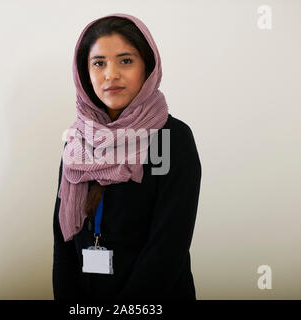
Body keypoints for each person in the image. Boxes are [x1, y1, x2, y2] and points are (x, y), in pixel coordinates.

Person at [52, 13, 202, 302]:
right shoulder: (77, 139)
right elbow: (63, 241)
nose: (111, 74)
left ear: (148, 66)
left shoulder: (170, 138)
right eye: (99, 63)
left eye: (125, 60)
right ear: (85, 73)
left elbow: (167, 249)